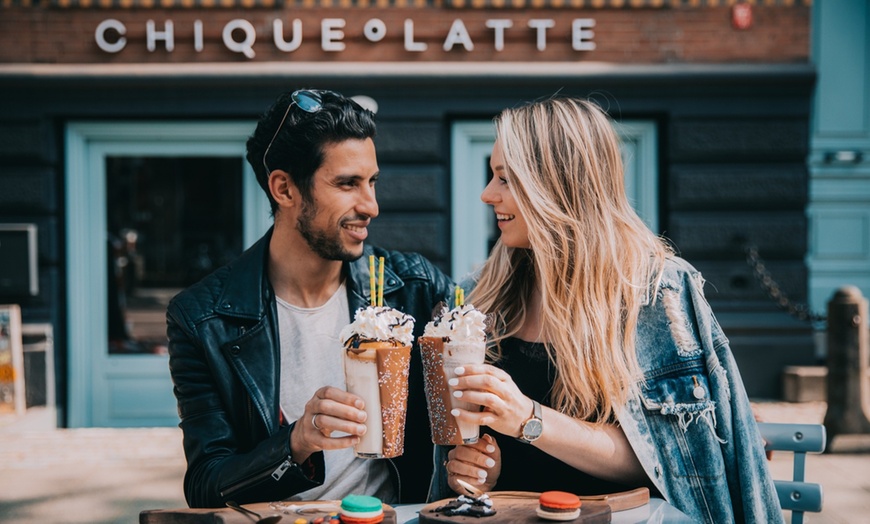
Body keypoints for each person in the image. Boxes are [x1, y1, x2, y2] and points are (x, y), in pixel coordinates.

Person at [431, 96, 784, 523]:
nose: (488, 195)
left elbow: (665, 460)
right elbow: (478, 463)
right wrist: (479, 473)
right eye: (493, 176)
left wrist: (529, 418)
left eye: (505, 179)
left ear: (556, 187)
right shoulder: (480, 296)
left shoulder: (655, 292)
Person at [167, 89, 454, 508]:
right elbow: (207, 486)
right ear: (284, 189)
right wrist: (296, 443)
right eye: (347, 184)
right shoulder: (202, 319)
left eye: (372, 182)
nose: (371, 205)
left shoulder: (413, 287)